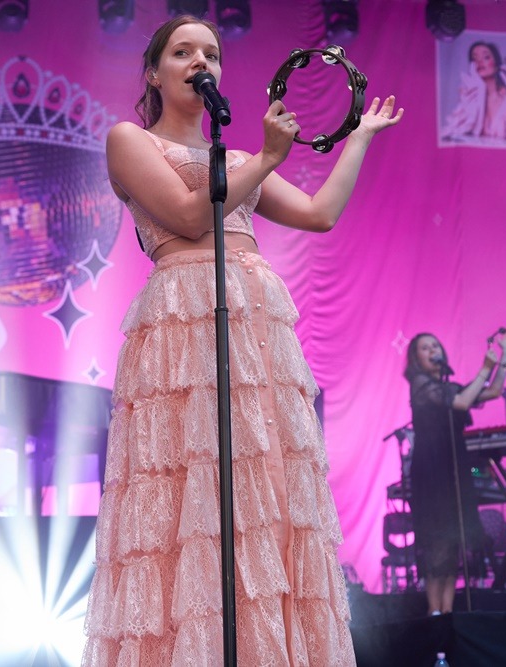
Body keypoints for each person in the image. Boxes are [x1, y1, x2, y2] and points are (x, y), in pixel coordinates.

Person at [81, 15, 401, 665]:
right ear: (154, 73)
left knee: (263, 492)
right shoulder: (130, 140)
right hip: (184, 325)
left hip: (253, 325)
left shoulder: (233, 159)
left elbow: (319, 214)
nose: (201, 62)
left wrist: (359, 137)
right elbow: (188, 215)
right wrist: (268, 158)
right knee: (186, 495)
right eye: (182, 52)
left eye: (212, 52)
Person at [404, 332, 506, 615]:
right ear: (416, 358)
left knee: (454, 539)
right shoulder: (420, 385)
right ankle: (434, 613)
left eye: (435, 345)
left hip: (454, 468)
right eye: (425, 348)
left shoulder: (448, 387)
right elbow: (462, 403)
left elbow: (491, 392)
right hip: (431, 471)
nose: (432, 350)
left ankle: (447, 613)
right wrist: (485, 368)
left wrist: (503, 358)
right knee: (437, 540)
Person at [442, 41, 506, 147]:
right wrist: (480, 89)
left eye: (486, 57)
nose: (479, 61)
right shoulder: (472, 99)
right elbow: (455, 133)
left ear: (497, 64)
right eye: (474, 59)